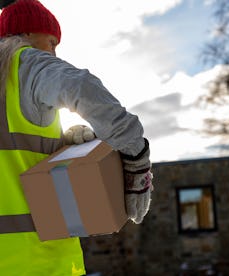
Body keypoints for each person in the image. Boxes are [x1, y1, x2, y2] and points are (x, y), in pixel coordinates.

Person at [0, 0, 153, 275]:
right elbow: (81, 86)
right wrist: (136, 157)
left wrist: (60, 146)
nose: (54, 52)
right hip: (40, 262)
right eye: (51, 42)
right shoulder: (26, 64)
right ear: (27, 35)